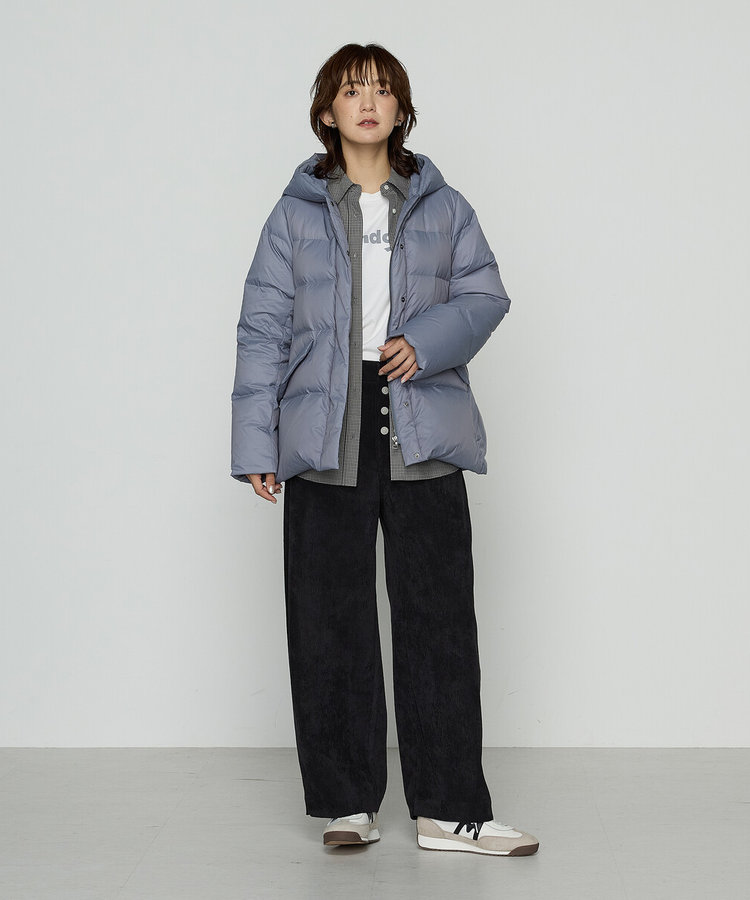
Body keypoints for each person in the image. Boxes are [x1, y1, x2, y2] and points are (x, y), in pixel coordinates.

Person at [231, 42, 539, 857]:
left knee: (439, 619)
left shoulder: (444, 205)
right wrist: (256, 442)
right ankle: (346, 803)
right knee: (328, 620)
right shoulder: (293, 215)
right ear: (326, 112)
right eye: (350, 90)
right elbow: (262, 330)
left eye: (381, 90)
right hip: (324, 426)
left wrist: (425, 343)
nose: (367, 102)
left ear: (401, 109)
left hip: (420, 417)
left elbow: (485, 293)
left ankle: (449, 811)